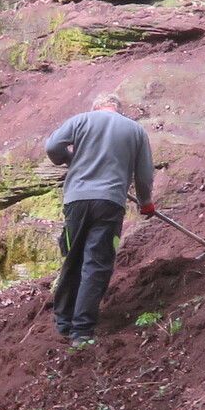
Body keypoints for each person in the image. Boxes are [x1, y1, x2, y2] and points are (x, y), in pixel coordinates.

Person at [41, 94, 156, 347]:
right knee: (96, 264)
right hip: (109, 203)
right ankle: (82, 331)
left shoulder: (81, 120)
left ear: (96, 107)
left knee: (73, 258)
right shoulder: (135, 130)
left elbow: (52, 148)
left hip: (76, 201)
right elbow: (144, 173)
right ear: (118, 109)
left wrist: (70, 160)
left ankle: (63, 321)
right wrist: (145, 201)